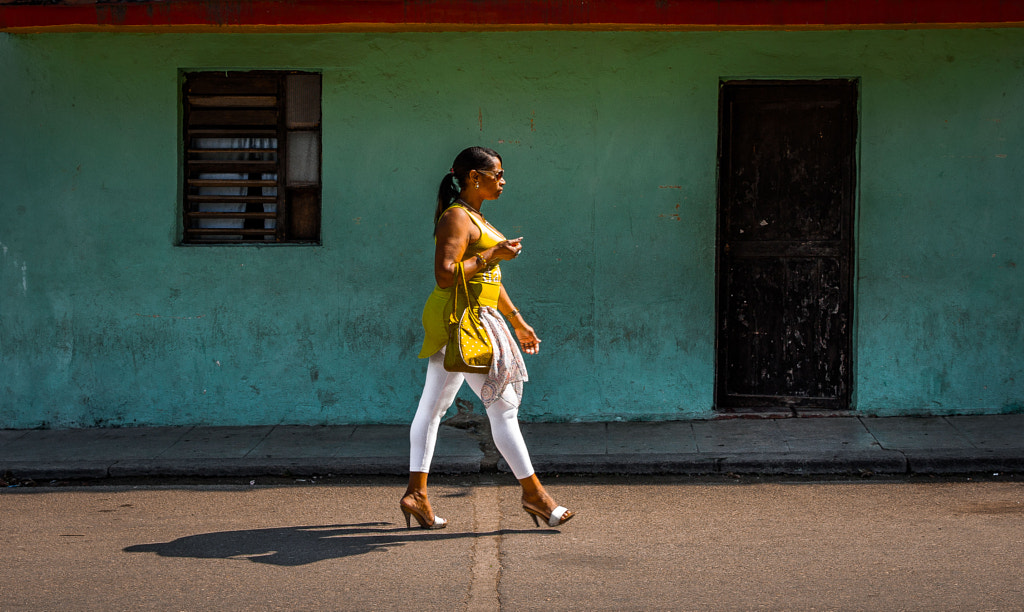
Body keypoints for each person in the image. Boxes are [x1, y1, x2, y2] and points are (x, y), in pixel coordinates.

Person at [400, 146, 574, 530]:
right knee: (503, 406)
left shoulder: (477, 217)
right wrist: (492, 253)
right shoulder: (457, 218)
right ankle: (535, 496)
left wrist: (517, 320)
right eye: (498, 174)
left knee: (433, 407)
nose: (503, 181)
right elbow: (445, 274)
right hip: (458, 320)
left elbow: (489, 280)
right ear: (475, 177)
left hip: (477, 316)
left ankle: (416, 494)